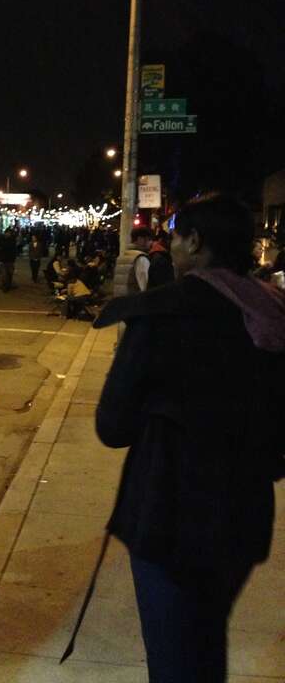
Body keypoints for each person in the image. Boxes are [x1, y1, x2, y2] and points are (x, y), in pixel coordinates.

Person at [93, 193, 285, 683]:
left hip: (169, 514)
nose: (171, 246)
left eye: (175, 236)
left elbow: (112, 427)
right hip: (243, 514)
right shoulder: (272, 311)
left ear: (195, 242)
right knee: (206, 642)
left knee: (175, 656)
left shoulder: (161, 314)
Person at [112, 226, 153, 296]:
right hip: (134, 300)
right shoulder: (141, 258)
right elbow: (145, 285)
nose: (151, 243)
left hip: (120, 299)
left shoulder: (123, 256)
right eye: (149, 239)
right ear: (140, 239)